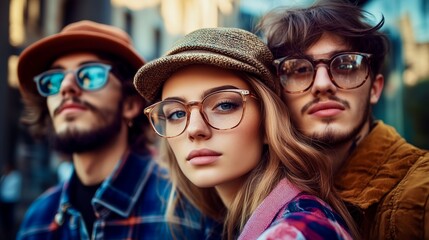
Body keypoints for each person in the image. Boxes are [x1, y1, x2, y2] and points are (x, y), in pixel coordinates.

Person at [134, 27, 359, 239]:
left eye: (224, 105)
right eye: (175, 114)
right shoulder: (215, 224)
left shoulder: (298, 230)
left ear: (268, 121)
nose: (195, 129)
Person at [16, 20, 220, 240]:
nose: (66, 87)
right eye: (54, 80)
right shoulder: (37, 221)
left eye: (91, 75)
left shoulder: (191, 208)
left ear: (130, 105)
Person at [257, 0, 429, 239]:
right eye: (299, 69)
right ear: (278, 93)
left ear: (375, 88)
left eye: (346, 65)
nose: (323, 84)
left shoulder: (422, 193)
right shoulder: (260, 189)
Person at [0, 162, 23, 240]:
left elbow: (11, 187)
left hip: (11, 199)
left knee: (9, 215)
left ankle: (10, 230)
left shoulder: (15, 176)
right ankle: (5, 229)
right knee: (4, 216)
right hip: (3, 199)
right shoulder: (5, 176)